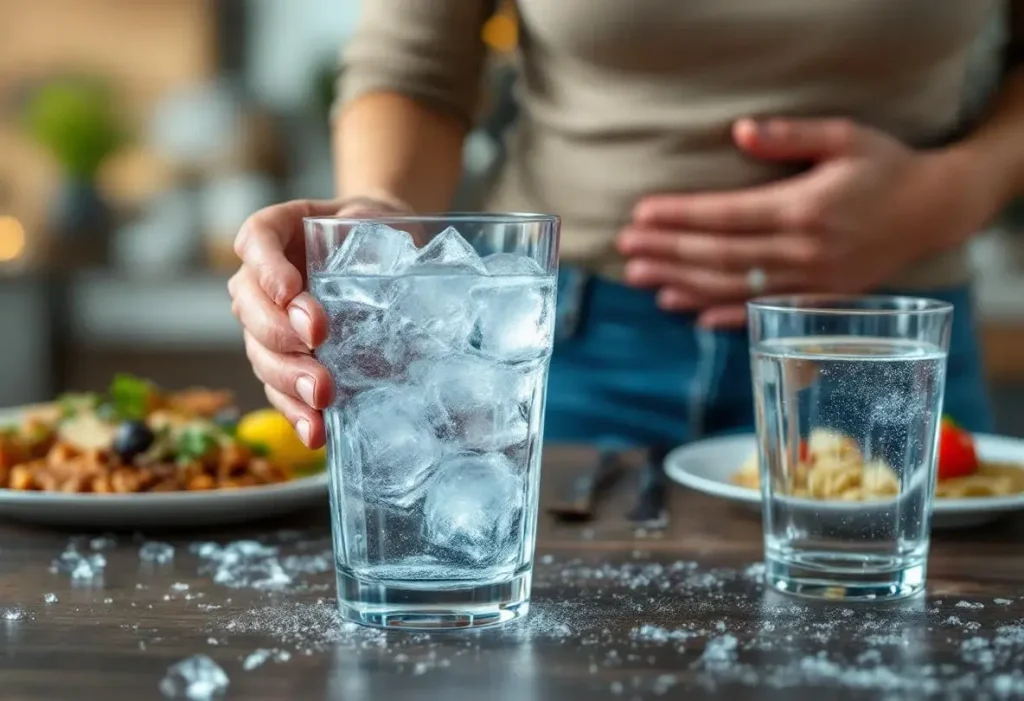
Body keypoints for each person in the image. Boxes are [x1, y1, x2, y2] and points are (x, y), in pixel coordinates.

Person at [229, 0, 1024, 450]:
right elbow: (414, 63)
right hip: (550, 351)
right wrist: (381, 222)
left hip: (884, 346)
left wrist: (953, 190)